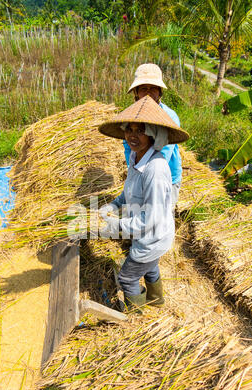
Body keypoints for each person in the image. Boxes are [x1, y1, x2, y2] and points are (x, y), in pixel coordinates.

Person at [98, 95, 189, 313]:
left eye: (141, 130)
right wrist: (112, 206)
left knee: (127, 278)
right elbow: (129, 192)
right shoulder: (137, 157)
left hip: (153, 237)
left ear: (154, 134)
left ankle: (137, 320)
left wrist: (113, 227)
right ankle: (156, 301)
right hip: (149, 235)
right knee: (151, 267)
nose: (133, 135)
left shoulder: (155, 170)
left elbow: (150, 220)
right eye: (129, 129)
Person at [125, 63, 182, 208]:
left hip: (165, 178)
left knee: (161, 217)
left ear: (160, 91)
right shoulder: (130, 116)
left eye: (153, 88)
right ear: (136, 92)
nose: (148, 92)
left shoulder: (169, 117)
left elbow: (163, 154)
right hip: (140, 175)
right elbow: (128, 148)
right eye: (144, 88)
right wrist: (134, 174)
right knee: (140, 217)